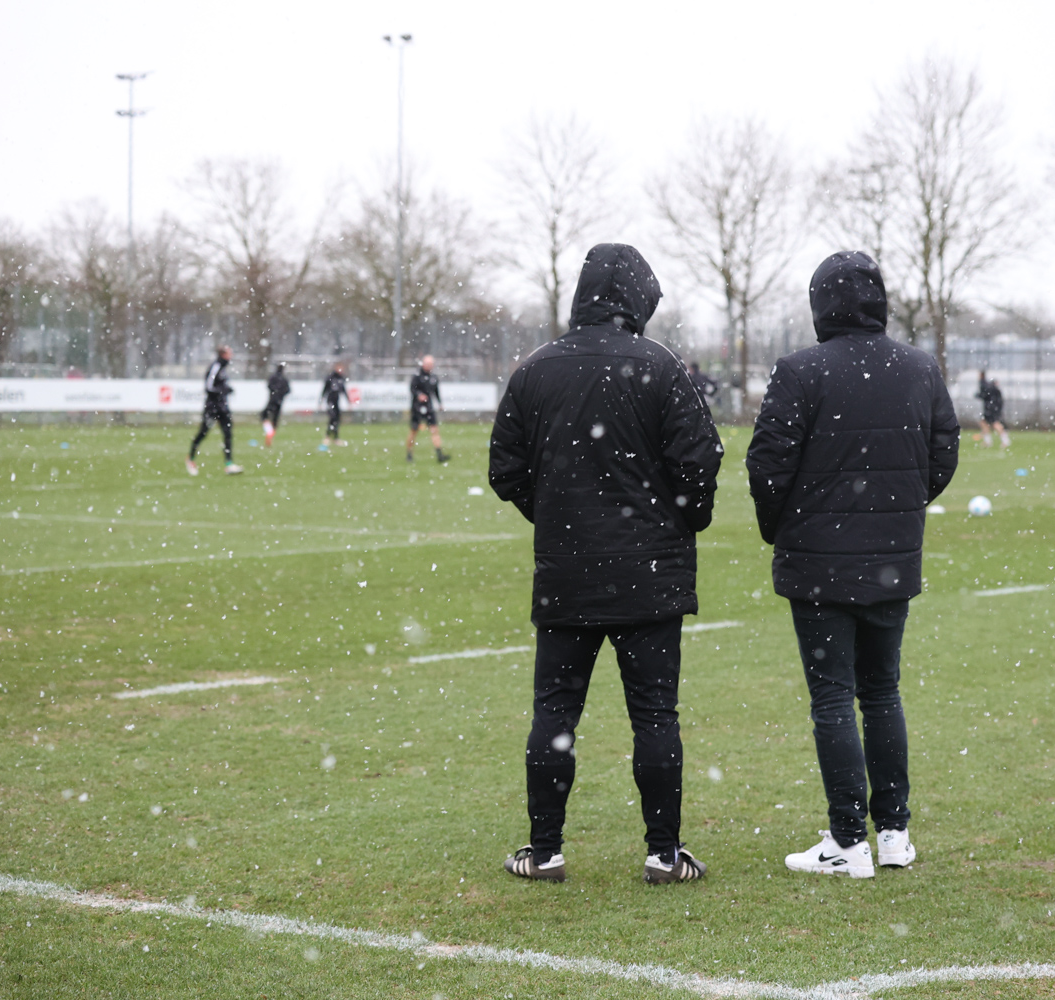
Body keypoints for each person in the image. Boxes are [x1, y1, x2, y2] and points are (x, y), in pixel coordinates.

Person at [489, 244, 722, 885]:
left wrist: (560, 514)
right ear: (638, 300)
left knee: (555, 712)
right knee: (654, 714)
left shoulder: (535, 370)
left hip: (568, 569)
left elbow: (504, 469)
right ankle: (664, 853)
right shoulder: (663, 367)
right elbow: (701, 462)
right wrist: (676, 520)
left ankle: (545, 850)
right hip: (649, 573)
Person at [747, 251, 959, 879]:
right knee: (881, 691)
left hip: (819, 561)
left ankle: (848, 840)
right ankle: (891, 832)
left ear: (819, 305)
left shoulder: (800, 371)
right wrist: (899, 511)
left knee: (835, 697)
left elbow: (766, 466)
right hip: (889, 558)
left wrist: (784, 526)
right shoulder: (918, 368)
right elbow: (942, 453)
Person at [187, 346, 242, 476]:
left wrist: (227, 389)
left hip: (223, 408)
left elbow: (220, 385)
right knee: (203, 433)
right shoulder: (215, 366)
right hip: (212, 408)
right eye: (230, 353)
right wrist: (224, 391)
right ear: (223, 354)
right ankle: (191, 459)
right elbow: (209, 387)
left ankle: (229, 464)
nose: (232, 355)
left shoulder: (223, 368)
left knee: (228, 434)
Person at [407, 355, 448, 463]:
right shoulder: (417, 375)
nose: (429, 366)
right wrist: (419, 395)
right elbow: (412, 389)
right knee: (414, 431)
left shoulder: (433, 377)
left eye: (431, 364)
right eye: (427, 364)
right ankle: (409, 454)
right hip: (417, 407)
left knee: (434, 429)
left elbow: (436, 392)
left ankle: (439, 454)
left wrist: (440, 403)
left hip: (429, 407)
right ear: (423, 364)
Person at [320, 362, 350, 451]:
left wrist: (348, 400)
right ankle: (328, 437)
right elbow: (325, 389)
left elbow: (343, 390)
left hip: (336, 401)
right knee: (332, 418)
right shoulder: (330, 377)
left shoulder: (341, 378)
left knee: (337, 419)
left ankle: (335, 438)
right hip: (330, 401)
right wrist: (321, 400)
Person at [976, 372, 1009, 448]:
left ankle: (1005, 440)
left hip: (991, 409)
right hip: (992, 409)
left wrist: (979, 395)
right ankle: (988, 441)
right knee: (984, 423)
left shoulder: (990, 388)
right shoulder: (994, 389)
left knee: (995, 424)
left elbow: (985, 395)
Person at [261, 363, 290, 448]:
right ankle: (271, 436)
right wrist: (281, 394)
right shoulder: (284, 379)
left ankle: (269, 432)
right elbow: (288, 390)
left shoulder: (273, 377)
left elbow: (269, 386)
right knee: (275, 420)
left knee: (264, 416)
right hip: (279, 402)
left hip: (272, 400)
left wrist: (274, 392)